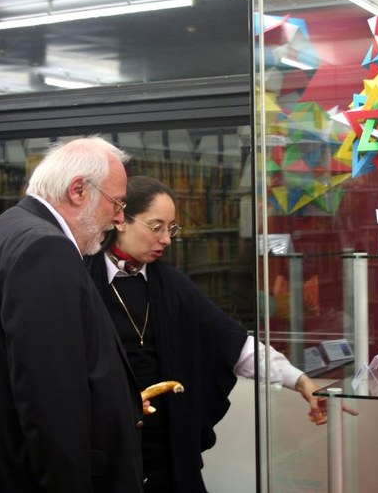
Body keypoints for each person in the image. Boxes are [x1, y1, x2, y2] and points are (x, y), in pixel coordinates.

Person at [85, 175, 325, 493]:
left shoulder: (172, 286)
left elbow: (234, 344)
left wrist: (300, 381)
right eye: (156, 227)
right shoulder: (81, 280)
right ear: (121, 221)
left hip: (166, 453)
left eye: (171, 229)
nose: (166, 239)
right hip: (106, 452)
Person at [0, 138, 145, 492]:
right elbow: (51, 406)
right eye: (117, 203)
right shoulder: (45, 250)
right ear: (78, 190)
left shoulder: (9, 229)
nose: (120, 218)